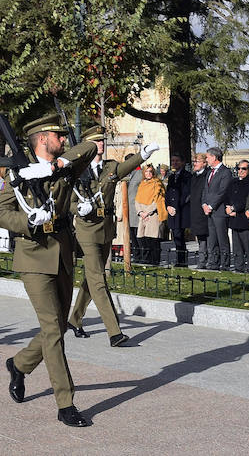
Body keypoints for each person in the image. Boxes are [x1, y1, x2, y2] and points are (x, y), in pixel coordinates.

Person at [0, 110, 97, 428]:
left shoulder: (63, 165)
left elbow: (90, 148)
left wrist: (57, 164)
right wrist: (27, 221)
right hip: (34, 257)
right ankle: (65, 403)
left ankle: (19, 364)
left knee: (58, 327)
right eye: (58, 136)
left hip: (63, 253)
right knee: (53, 329)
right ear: (42, 139)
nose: (64, 139)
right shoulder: (20, 175)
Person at [68, 124, 152, 343]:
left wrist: (143, 154)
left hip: (105, 229)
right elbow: (67, 200)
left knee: (91, 277)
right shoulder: (76, 170)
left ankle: (74, 319)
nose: (101, 144)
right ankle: (114, 332)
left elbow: (126, 167)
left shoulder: (110, 167)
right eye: (97, 141)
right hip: (86, 231)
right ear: (86, 145)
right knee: (99, 281)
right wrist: (78, 208)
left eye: (103, 141)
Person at [199, 147, 234, 270]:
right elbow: (205, 190)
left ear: (214, 157)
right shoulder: (209, 172)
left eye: (208, 157)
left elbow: (222, 192)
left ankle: (225, 264)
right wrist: (204, 204)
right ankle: (214, 262)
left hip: (219, 211)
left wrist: (210, 205)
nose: (206, 159)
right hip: (209, 211)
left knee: (222, 238)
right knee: (212, 239)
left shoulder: (225, 172)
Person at [135, 165, 166, 265]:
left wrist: (148, 212)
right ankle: (145, 259)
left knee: (153, 239)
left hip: (152, 215)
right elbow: (137, 200)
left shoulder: (157, 183)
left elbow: (158, 200)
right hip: (142, 215)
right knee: (141, 238)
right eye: (146, 171)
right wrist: (141, 212)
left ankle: (154, 261)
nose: (148, 173)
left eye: (150, 171)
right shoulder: (142, 184)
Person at [227, 159, 249, 273]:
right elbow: (227, 196)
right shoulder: (233, 182)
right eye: (238, 168)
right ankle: (239, 266)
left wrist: (235, 208)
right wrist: (228, 208)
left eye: (244, 169)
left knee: (248, 247)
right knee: (237, 246)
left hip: (244, 218)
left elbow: (247, 200)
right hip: (234, 218)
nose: (241, 171)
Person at [164, 155, 191, 266]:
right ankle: (179, 259)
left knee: (181, 236)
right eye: (173, 161)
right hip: (172, 211)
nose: (174, 163)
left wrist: (177, 206)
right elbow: (168, 194)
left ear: (182, 162)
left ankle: (182, 260)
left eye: (177, 161)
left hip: (181, 211)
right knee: (175, 235)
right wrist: (168, 206)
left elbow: (187, 194)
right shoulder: (171, 177)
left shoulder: (187, 176)